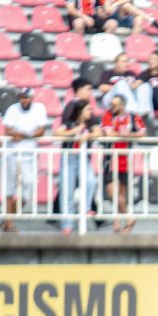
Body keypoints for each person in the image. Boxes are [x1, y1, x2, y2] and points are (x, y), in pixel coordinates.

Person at [0, 88, 48, 233]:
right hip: (11, 153)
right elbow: (8, 130)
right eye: (21, 97)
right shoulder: (12, 109)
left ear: (32, 97)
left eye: (26, 97)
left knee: (28, 189)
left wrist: (22, 134)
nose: (24, 100)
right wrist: (27, 134)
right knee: (9, 189)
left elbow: (41, 131)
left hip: (29, 154)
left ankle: (8, 219)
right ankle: (9, 223)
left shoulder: (39, 108)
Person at [55, 99, 102, 235]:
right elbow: (58, 133)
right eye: (88, 109)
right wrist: (74, 131)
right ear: (80, 111)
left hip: (82, 158)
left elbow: (98, 132)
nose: (90, 112)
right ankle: (67, 224)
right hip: (69, 157)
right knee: (67, 191)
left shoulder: (90, 123)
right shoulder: (70, 122)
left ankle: (86, 208)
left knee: (91, 181)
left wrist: (88, 135)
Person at [101, 94, 146, 233]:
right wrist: (124, 134)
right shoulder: (108, 115)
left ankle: (117, 224)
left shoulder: (133, 117)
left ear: (122, 105)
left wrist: (127, 135)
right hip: (110, 160)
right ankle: (128, 217)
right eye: (111, 104)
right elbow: (109, 134)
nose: (111, 107)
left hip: (126, 161)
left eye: (114, 105)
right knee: (111, 191)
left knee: (121, 194)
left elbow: (142, 133)